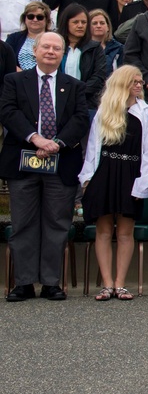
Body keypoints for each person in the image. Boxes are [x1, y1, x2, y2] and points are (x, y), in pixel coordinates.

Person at [0, 32, 90, 302]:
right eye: (46, 47)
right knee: (23, 224)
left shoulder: (74, 85)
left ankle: (51, 282)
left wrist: (57, 143)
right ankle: (24, 283)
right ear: (35, 51)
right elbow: (8, 111)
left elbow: (80, 118)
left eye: (57, 48)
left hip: (60, 162)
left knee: (57, 223)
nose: (51, 51)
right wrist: (36, 138)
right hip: (23, 161)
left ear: (62, 54)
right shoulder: (14, 80)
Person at [79, 65, 148, 301]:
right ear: (122, 83)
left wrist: (143, 183)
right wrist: (87, 179)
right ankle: (106, 285)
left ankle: (121, 284)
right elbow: (93, 147)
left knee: (125, 231)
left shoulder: (147, 113)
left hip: (131, 173)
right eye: (133, 81)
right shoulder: (104, 111)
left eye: (140, 82)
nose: (138, 85)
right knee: (103, 230)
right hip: (104, 172)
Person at [56, 3, 106, 112]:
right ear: (66, 23)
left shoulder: (95, 48)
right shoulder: (56, 46)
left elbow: (98, 77)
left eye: (84, 22)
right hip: (57, 101)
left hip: (86, 103)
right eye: (75, 22)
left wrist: (77, 92)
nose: (80, 25)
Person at [6, 2, 52, 71]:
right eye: (31, 16)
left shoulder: (55, 38)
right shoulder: (14, 38)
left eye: (40, 17)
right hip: (19, 79)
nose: (35, 20)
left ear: (47, 20)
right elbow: (6, 60)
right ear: (25, 19)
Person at [90, 8, 124, 75]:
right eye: (94, 23)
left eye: (102, 23)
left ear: (108, 27)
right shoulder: (82, 48)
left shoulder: (119, 49)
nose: (98, 26)